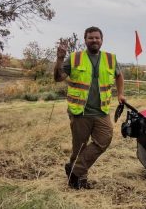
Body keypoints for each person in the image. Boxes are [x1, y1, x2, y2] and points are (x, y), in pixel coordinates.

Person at [54, 26, 125, 189]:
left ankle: (75, 170)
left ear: (102, 40)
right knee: (79, 146)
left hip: (102, 111)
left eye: (97, 38)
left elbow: (119, 76)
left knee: (104, 139)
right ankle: (79, 180)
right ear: (85, 40)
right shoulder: (74, 58)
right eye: (91, 38)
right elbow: (58, 77)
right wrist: (59, 59)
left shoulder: (110, 58)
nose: (94, 40)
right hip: (80, 111)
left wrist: (120, 94)